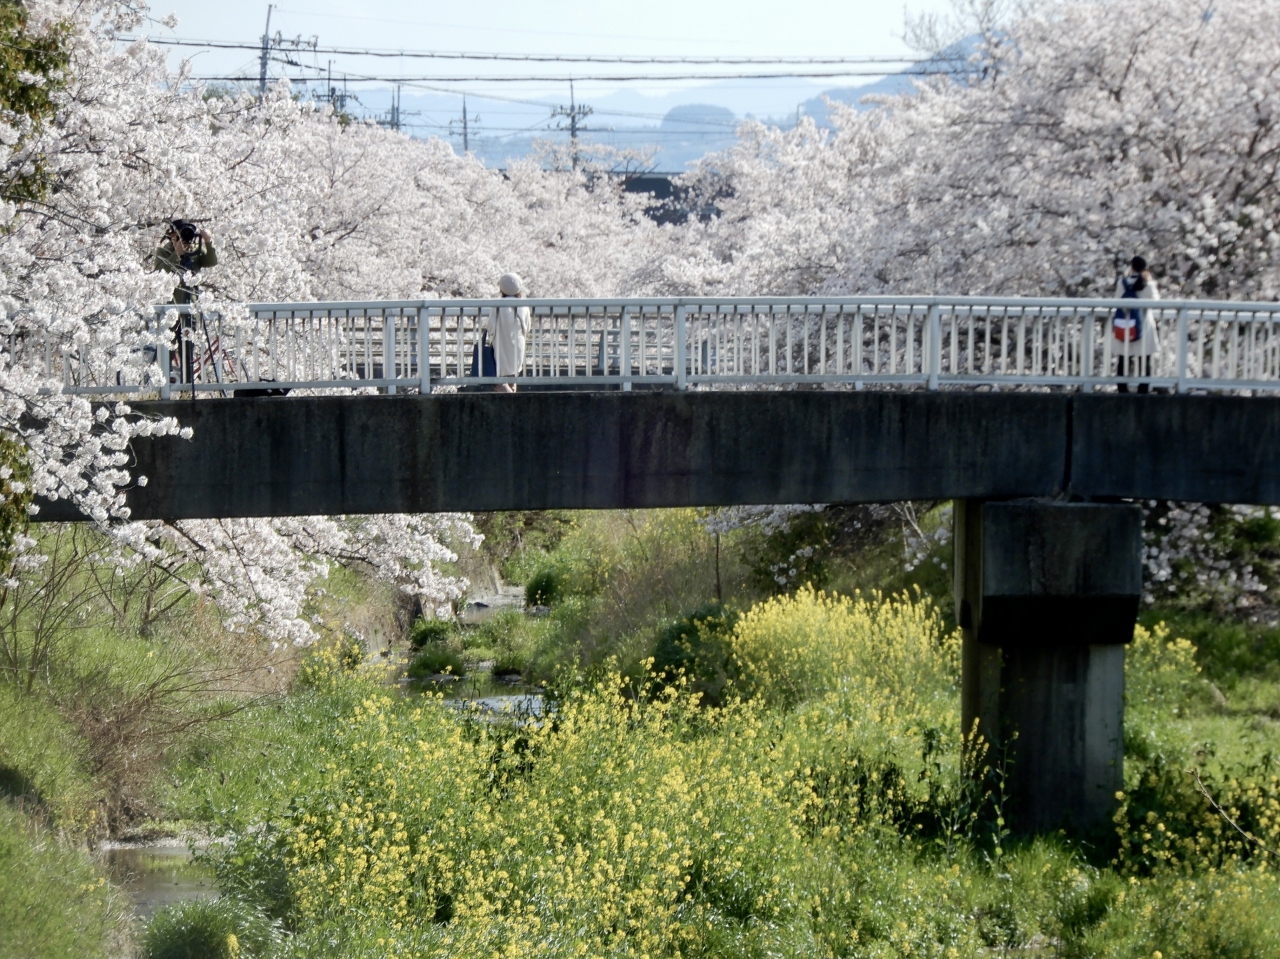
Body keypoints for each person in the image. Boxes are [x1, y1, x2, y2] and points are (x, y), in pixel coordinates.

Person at [1112, 255, 1160, 394]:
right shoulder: (1149, 285)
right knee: (1145, 358)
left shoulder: (1122, 283)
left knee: (1123, 357)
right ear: (1146, 269)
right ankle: (1143, 388)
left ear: (1132, 268)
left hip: (1125, 324)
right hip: (1143, 325)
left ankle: (1122, 388)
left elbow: (1116, 301)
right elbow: (1156, 302)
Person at [151, 219, 218, 304]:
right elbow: (159, 272)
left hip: (191, 301)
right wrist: (176, 254)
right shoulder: (164, 251)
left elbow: (211, 262)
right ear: (172, 236)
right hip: (170, 302)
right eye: (179, 235)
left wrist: (207, 241)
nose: (184, 238)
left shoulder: (196, 250)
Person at [488, 272, 531, 393]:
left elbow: (490, 328)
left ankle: (512, 400)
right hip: (518, 344)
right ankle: (513, 399)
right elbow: (527, 327)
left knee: (498, 381)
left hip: (501, 345)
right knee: (513, 377)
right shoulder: (523, 306)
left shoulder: (496, 306)